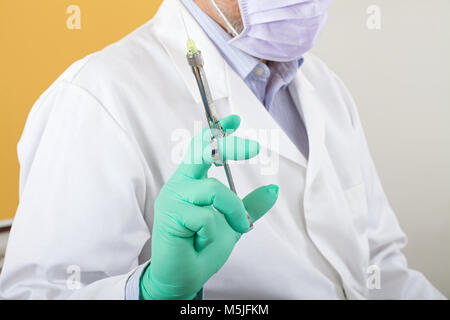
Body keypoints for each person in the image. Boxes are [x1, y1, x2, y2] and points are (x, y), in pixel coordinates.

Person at [0, 0, 445, 299]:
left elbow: (382, 267)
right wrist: (151, 290)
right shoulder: (99, 95)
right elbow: (38, 293)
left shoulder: (324, 87)